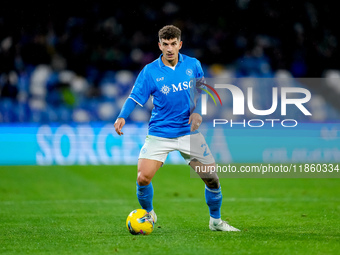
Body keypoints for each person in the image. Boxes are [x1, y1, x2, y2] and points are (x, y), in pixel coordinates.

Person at [114, 25, 240, 231]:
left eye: (173, 44)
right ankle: (149, 213)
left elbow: (202, 90)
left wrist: (198, 111)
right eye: (165, 44)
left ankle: (215, 221)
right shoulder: (150, 71)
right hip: (160, 133)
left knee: (212, 179)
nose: (170, 48)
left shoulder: (193, 65)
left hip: (187, 132)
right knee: (142, 177)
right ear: (159, 45)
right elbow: (134, 97)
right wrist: (122, 116)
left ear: (180, 44)